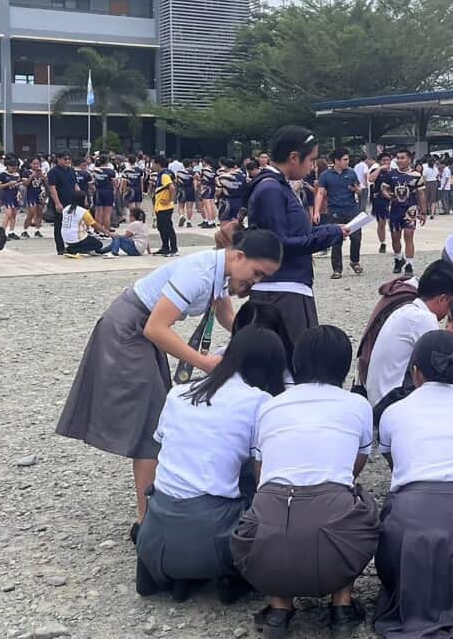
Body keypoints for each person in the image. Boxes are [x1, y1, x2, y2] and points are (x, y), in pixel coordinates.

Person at [56, 230, 284, 536]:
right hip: (129, 329)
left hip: (140, 327)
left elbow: (227, 315)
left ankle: (153, 509)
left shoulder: (220, 270)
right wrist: (204, 362)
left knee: (156, 413)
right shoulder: (200, 273)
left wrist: (256, 345)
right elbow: (155, 328)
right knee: (151, 422)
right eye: (257, 273)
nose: (255, 282)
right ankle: (145, 521)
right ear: (239, 257)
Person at [231, 326, 379, 639]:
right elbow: (358, 462)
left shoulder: (271, 405)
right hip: (330, 534)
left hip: (267, 545)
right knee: (361, 504)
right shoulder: (357, 405)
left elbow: (261, 470)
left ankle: (279, 608)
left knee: (265, 506)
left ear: (296, 363)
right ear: (343, 366)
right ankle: (341, 604)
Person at [135, 326, 287, 603]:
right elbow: (264, 476)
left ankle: (181, 575)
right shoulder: (259, 402)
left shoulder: (178, 393)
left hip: (157, 533)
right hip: (214, 535)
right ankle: (231, 572)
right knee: (254, 476)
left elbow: (160, 448)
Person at [374, 330, 453, 638]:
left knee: (396, 522)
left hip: (408, 520)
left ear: (415, 372)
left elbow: (395, 464)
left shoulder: (394, 412)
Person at [243, 126, 351, 347]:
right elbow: (278, 243)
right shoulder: (272, 190)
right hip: (280, 292)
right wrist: (329, 234)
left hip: (286, 287)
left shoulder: (277, 186)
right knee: (294, 364)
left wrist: (331, 231)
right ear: (294, 157)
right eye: (311, 160)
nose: (313, 166)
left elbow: (294, 234)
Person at [366, 260, 453, 406]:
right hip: (391, 402)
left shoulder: (407, 310)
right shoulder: (424, 318)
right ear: (442, 299)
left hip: (378, 397)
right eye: (449, 304)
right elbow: (439, 366)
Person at [315, 147, 364, 279]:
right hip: (335, 210)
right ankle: (337, 269)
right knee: (336, 239)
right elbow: (320, 193)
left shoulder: (352, 173)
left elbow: (359, 190)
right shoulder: (325, 175)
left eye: (348, 159)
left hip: (352, 208)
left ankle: (354, 261)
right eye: (345, 159)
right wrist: (316, 211)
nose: (347, 162)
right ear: (336, 161)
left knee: (356, 236)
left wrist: (356, 190)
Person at [381, 148, 428, 276]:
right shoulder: (390, 174)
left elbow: (421, 193)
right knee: (395, 237)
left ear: (409, 159)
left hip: (411, 209)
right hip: (395, 209)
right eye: (398, 158)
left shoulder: (417, 176)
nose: (400, 160)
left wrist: (423, 212)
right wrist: (388, 195)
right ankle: (398, 259)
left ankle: (409, 265)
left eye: (403, 158)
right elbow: (384, 189)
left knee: (409, 235)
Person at [60, 190, 109, 256]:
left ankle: (73, 247)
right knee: (98, 244)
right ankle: (73, 249)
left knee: (89, 239)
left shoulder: (66, 208)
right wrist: (108, 233)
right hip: (77, 237)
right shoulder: (83, 211)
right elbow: (95, 225)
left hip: (65, 237)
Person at [150, 154, 179, 256]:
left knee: (167, 227)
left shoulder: (164, 175)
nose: (152, 165)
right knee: (161, 227)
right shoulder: (169, 173)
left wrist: (170, 200)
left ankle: (173, 249)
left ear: (158, 164)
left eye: (153, 163)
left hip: (165, 207)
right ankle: (165, 247)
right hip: (160, 206)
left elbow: (172, 187)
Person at [369, 152, 392, 253]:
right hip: (379, 200)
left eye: (388, 160)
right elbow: (371, 179)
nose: (386, 162)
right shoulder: (376, 171)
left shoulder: (393, 172)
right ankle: (382, 243)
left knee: (393, 222)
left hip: (391, 199)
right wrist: (379, 169)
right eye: (384, 160)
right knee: (381, 223)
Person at [0, 157, 23, 240]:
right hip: (6, 195)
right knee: (8, 214)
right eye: (11, 166)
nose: (13, 168)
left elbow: (18, 184)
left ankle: (11, 231)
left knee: (14, 214)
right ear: (7, 166)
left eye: (15, 166)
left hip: (15, 195)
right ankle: (2, 233)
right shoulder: (2, 175)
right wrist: (8, 183)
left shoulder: (17, 175)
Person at [22, 158, 46, 238]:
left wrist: (43, 176)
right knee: (31, 213)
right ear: (31, 164)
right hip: (31, 194)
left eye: (37, 164)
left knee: (40, 213)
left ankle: (37, 230)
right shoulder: (26, 172)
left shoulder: (42, 172)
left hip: (40, 194)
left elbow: (47, 183)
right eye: (34, 163)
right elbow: (25, 184)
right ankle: (25, 230)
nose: (36, 165)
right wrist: (32, 176)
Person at [92, 155, 117, 231]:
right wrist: (115, 190)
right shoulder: (111, 172)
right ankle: (106, 229)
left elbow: (92, 182)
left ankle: (98, 230)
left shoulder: (95, 171)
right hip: (108, 191)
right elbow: (114, 183)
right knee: (107, 213)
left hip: (98, 191)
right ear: (108, 161)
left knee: (98, 212)